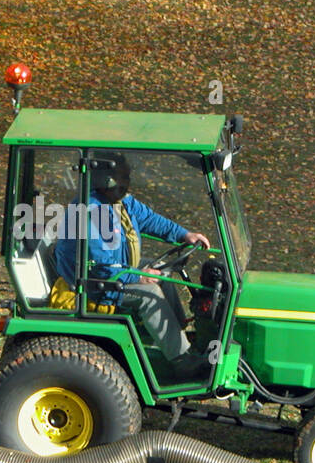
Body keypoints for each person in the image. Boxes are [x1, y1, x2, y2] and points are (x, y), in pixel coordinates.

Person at [52, 151, 211, 376]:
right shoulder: (91, 211)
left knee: (162, 271)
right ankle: (182, 360)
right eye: (122, 178)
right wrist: (138, 276)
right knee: (149, 293)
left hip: (115, 268)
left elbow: (148, 219)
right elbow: (101, 265)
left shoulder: (120, 201)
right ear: (105, 180)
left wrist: (184, 235)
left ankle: (179, 337)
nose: (127, 183)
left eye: (127, 177)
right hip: (93, 282)